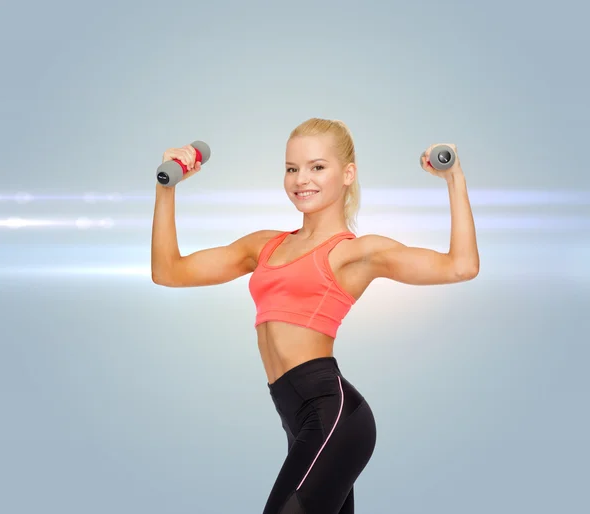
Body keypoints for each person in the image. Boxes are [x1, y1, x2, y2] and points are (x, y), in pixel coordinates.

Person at [151, 118, 480, 513]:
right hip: (297, 418)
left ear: (348, 174)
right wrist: (165, 187)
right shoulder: (265, 246)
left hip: (332, 414)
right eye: (292, 168)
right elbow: (168, 271)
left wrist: (454, 178)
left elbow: (462, 266)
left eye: (317, 167)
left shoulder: (355, 253)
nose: (300, 179)